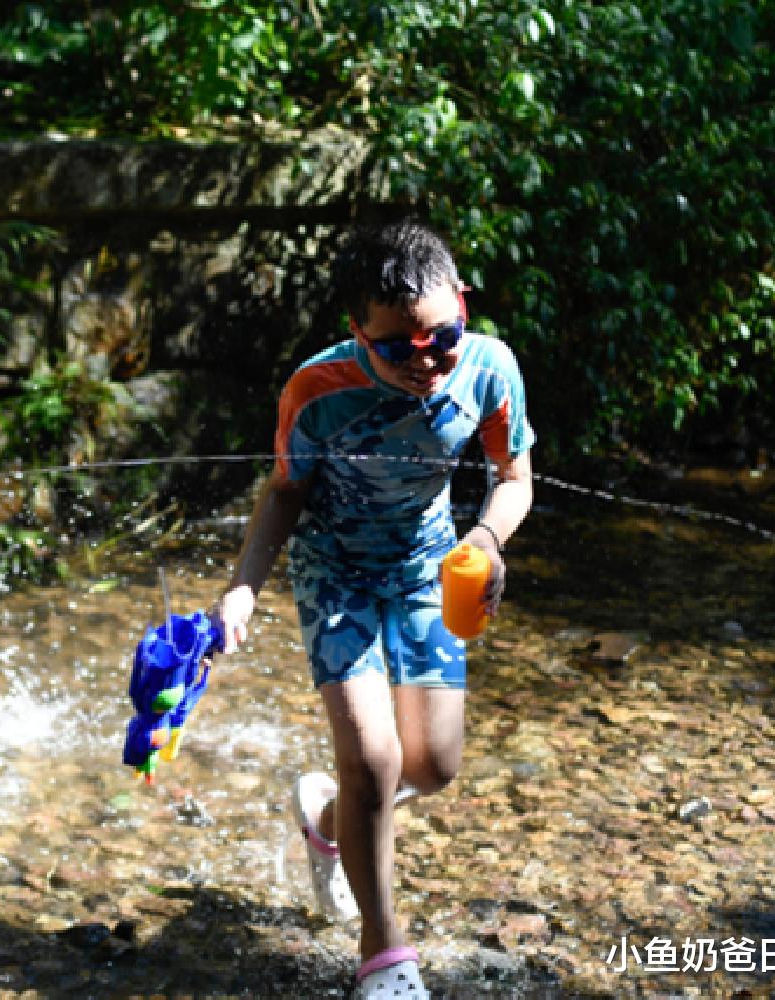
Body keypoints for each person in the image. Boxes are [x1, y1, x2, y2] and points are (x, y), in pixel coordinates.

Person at [214, 218, 534, 999]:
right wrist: (244, 586)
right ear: (358, 331)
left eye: (440, 336)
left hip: (430, 565)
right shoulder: (315, 390)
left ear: (461, 302)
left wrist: (487, 542)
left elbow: (514, 475)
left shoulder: (489, 367)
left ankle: (328, 824)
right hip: (336, 572)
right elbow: (284, 491)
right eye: (398, 347)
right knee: (375, 757)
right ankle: (384, 957)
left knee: (434, 765)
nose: (425, 360)